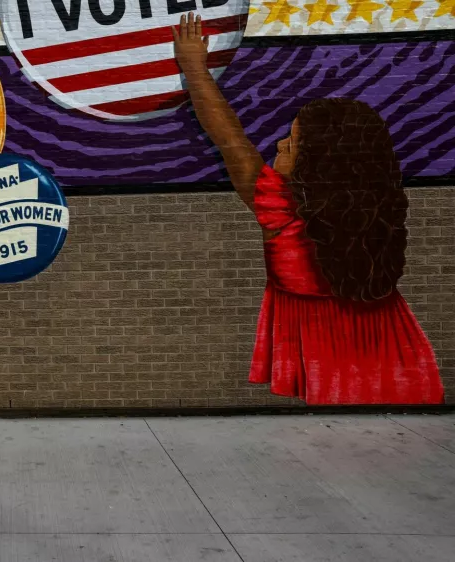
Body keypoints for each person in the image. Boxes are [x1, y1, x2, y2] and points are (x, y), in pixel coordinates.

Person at [171, 14, 445, 405]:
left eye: (294, 142)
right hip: (398, 353)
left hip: (328, 363)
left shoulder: (279, 212)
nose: (281, 144)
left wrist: (194, 68)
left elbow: (228, 135)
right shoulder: (375, 215)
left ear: (319, 163)